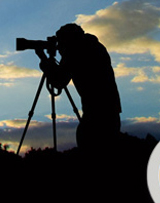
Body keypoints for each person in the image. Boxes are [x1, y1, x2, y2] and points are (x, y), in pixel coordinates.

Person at [40, 23, 122, 151]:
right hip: (111, 110)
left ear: (67, 39)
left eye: (61, 43)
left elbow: (59, 81)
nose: (59, 47)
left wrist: (44, 60)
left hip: (95, 113)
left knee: (88, 145)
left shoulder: (75, 50)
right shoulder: (95, 46)